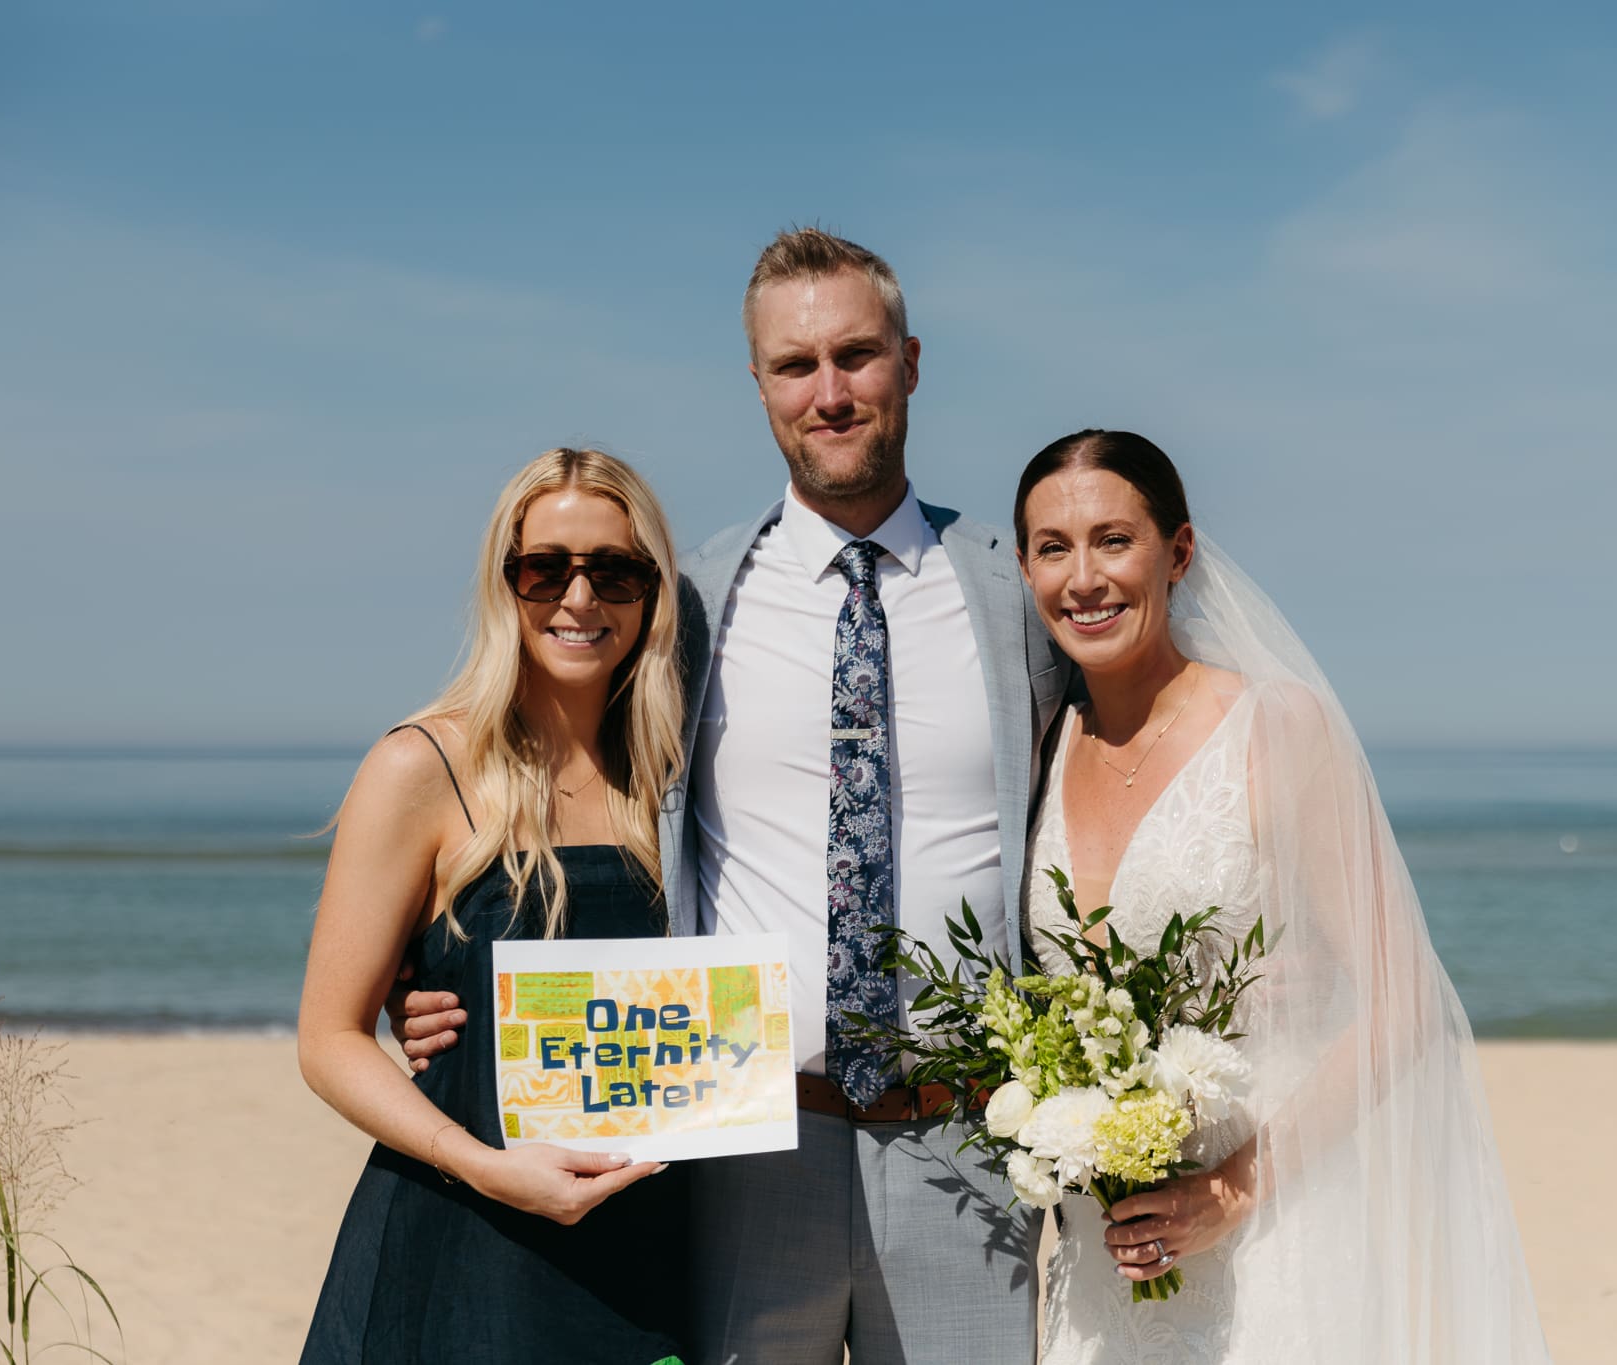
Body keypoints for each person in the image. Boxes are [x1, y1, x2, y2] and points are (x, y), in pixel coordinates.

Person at [397, 229, 1068, 1363]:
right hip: (750, 1144)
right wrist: (434, 980)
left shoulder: (1017, 592)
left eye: (854, 356)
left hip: (969, 1146)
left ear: (909, 362)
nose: (829, 392)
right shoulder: (686, 600)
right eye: (794, 365)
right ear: (756, 384)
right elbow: (549, 778)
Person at [1014, 429, 1551, 1362]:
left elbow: (1402, 997)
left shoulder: (1274, 727)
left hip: (1273, 1234)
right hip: (1107, 1260)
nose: (1084, 578)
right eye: (1053, 548)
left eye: (1114, 539)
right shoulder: (1037, 751)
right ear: (1025, 570)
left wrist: (1226, 1193)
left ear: (1177, 552)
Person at [298, 448, 692, 1365]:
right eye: (545, 567)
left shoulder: (680, 775)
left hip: (652, 1250)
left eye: (616, 571)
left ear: (653, 591)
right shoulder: (421, 767)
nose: (580, 598)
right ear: (504, 583)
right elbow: (328, 1039)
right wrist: (488, 1168)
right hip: (470, 1243)